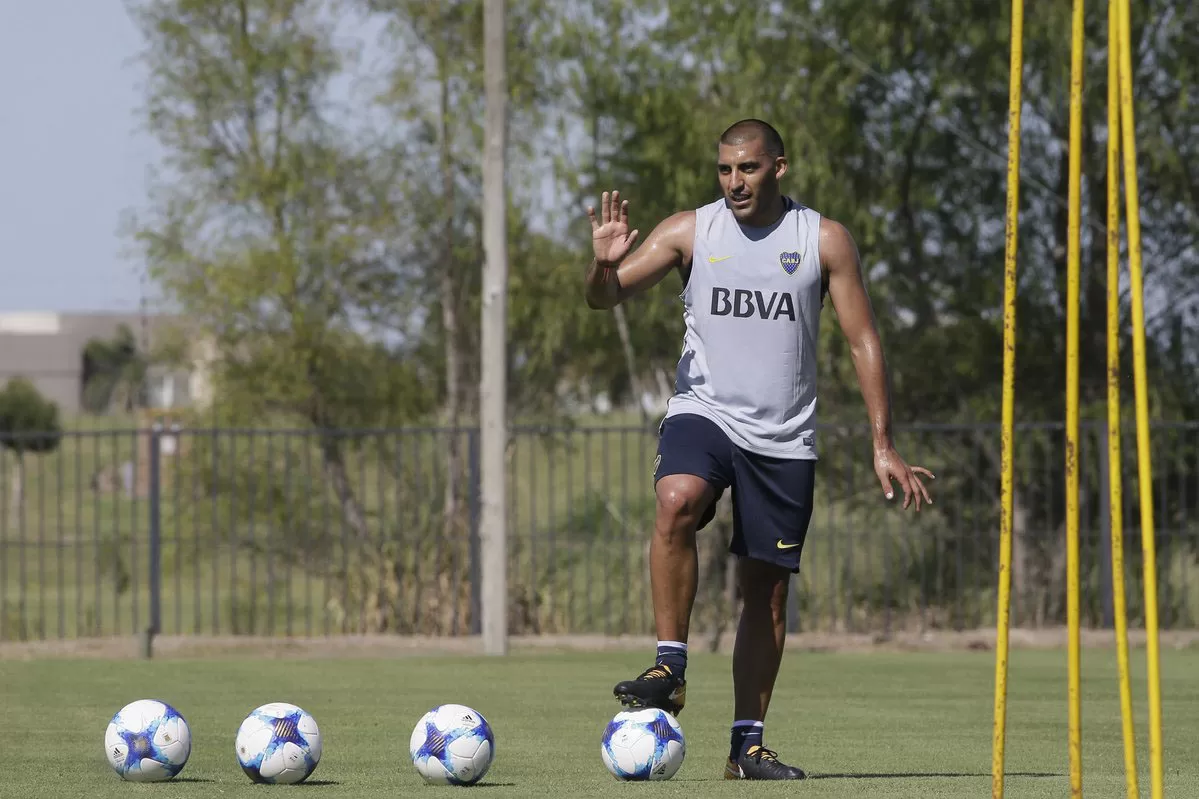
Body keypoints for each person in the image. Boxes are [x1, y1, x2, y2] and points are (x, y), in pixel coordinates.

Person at [582, 119, 934, 781]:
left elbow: (862, 340)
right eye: (724, 170)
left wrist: (881, 440)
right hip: (705, 410)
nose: (734, 182)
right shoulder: (690, 230)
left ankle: (745, 747)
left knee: (764, 595)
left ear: (778, 166)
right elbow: (606, 298)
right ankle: (670, 664)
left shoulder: (822, 239)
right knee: (675, 498)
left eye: (746, 168)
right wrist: (602, 263)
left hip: (783, 436)